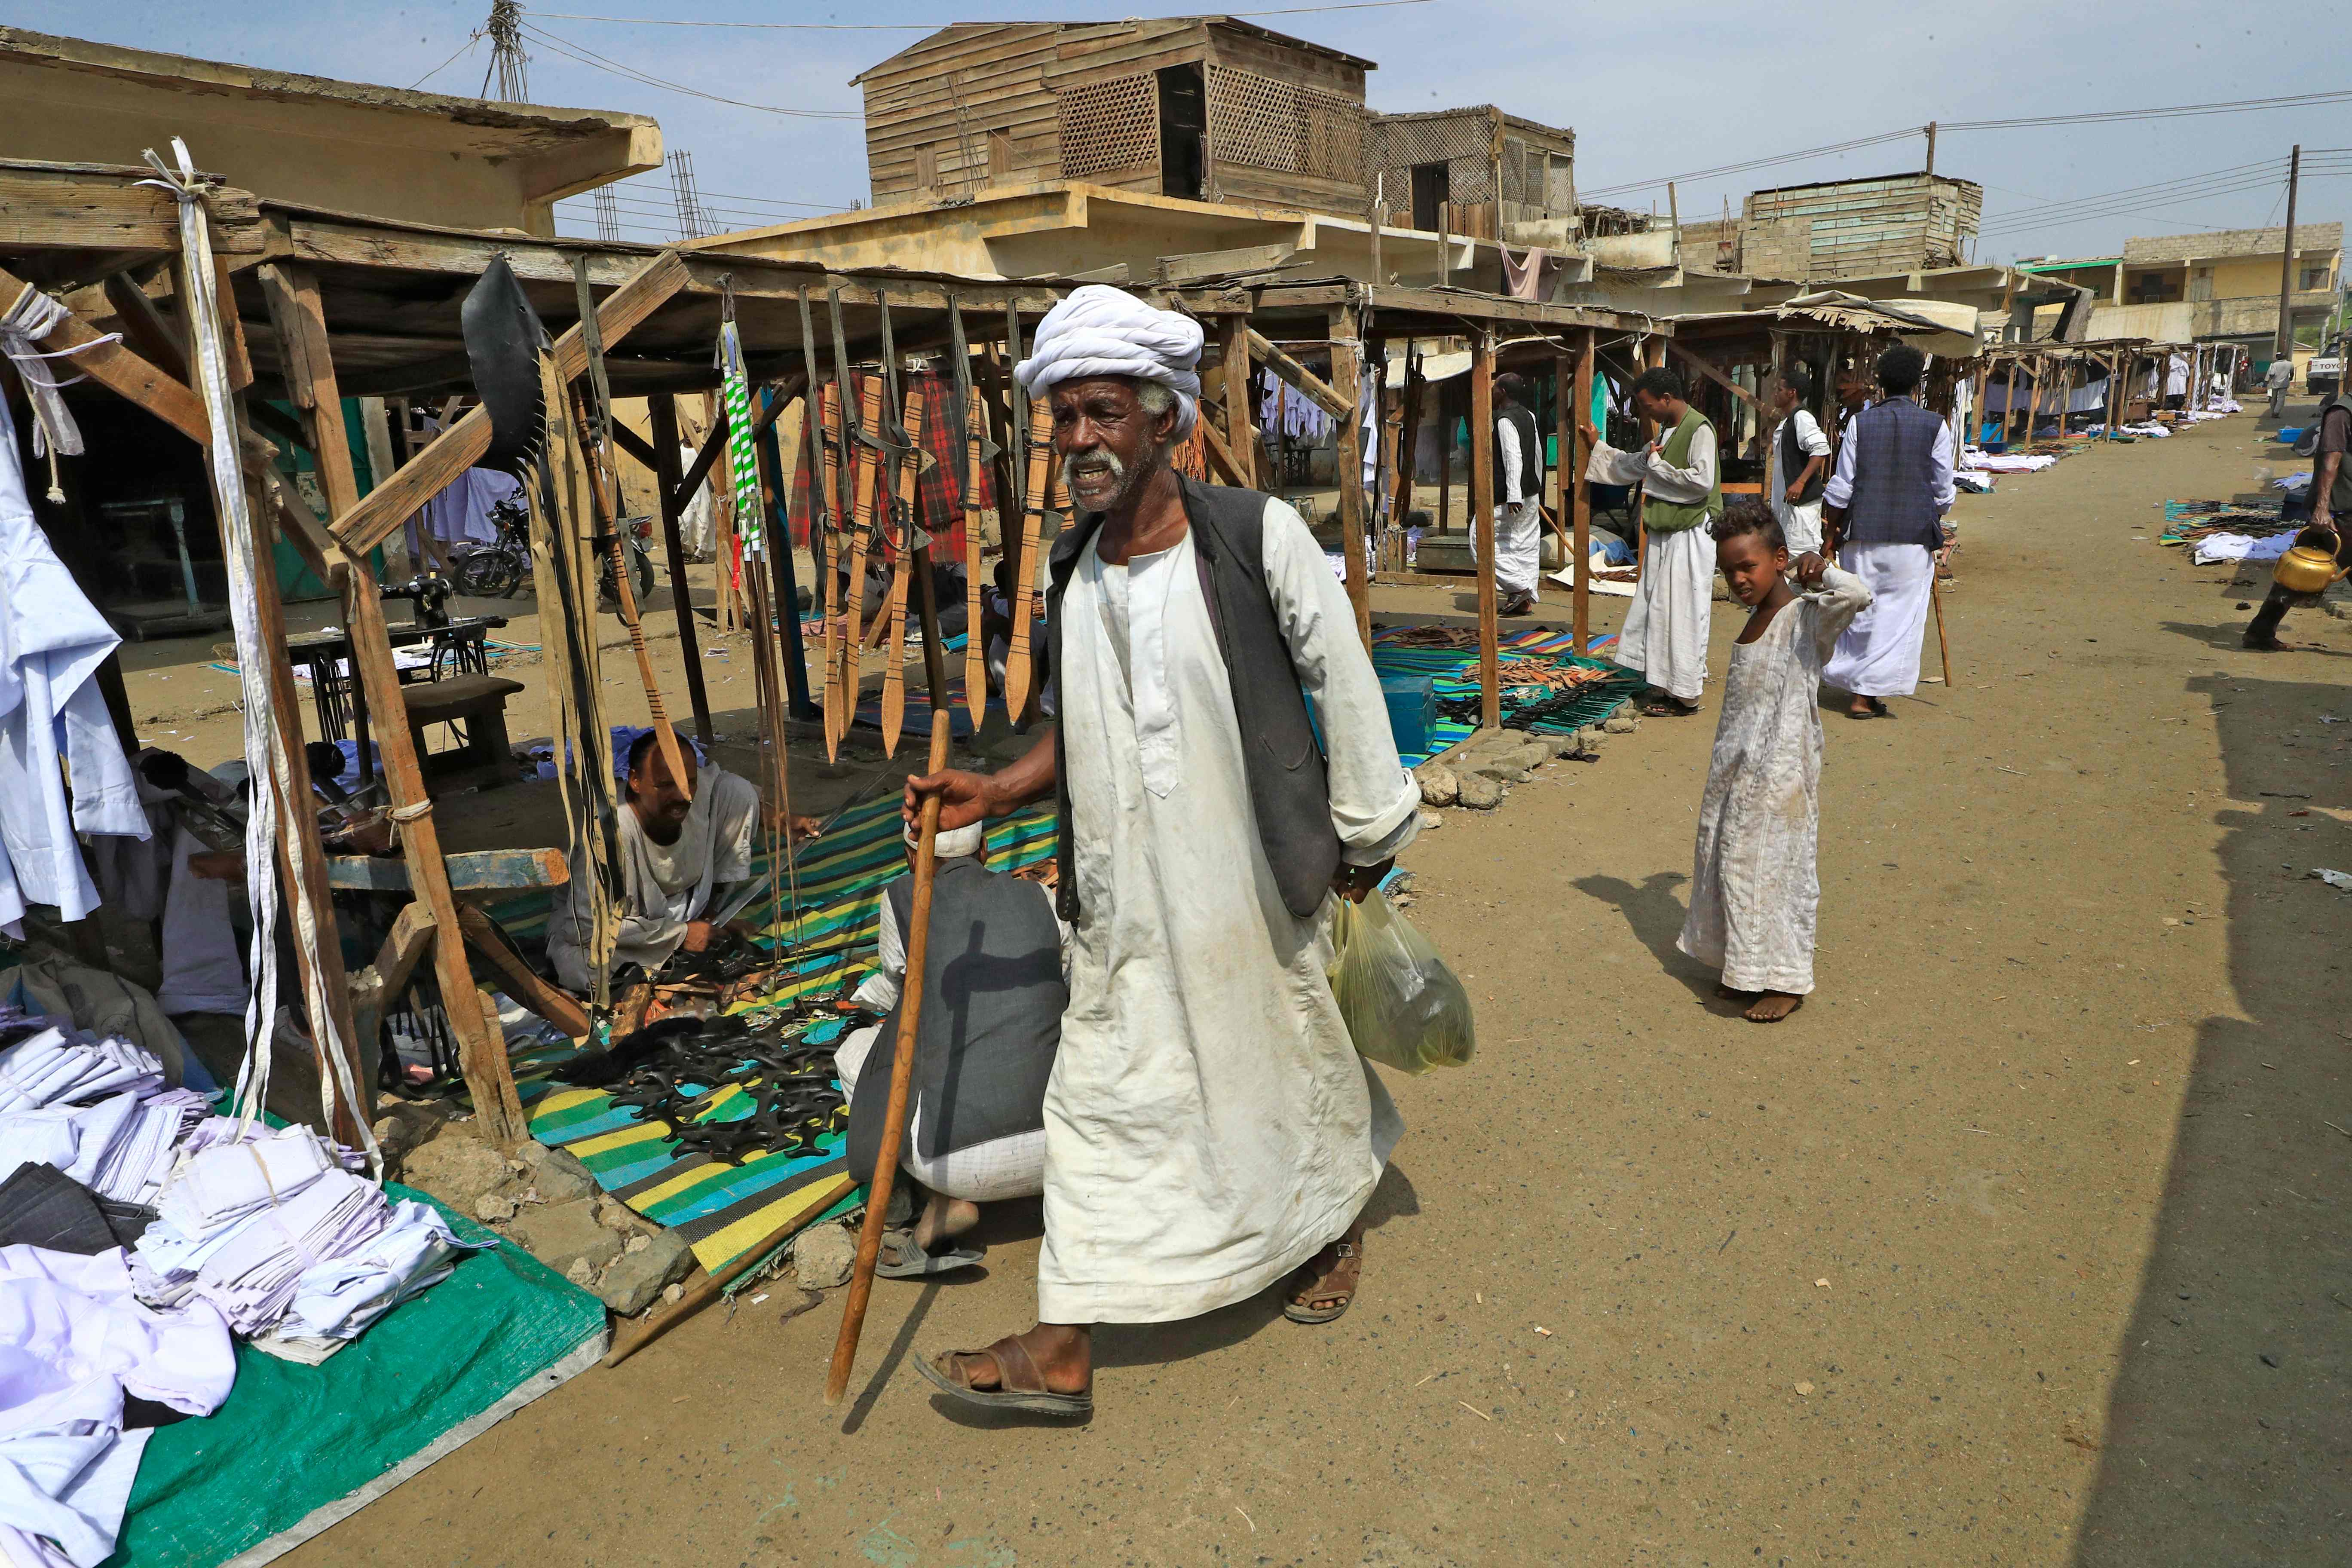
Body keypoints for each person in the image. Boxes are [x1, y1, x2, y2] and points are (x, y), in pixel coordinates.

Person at [900, 285, 1420, 1417]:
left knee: (1280, 1055)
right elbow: (1079, 728)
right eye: (1065, 418)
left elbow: (1342, 673)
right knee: (1100, 1090)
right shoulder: (1076, 573)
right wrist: (995, 783)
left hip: (1247, 881)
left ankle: (1323, 1227)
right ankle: (1066, 1341)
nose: (1080, 439)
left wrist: (1372, 832)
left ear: (1161, 419)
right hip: (1122, 895)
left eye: (1103, 414)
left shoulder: (1252, 537)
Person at [834, 820, 1064, 1276]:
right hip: (1065, 1145)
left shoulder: (903, 898)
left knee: (859, 1051)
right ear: (986, 851)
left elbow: (902, 985)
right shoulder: (1043, 899)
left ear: (909, 858)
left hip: (955, 1168)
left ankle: (933, 1205)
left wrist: (860, 1002)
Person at [1679, 501, 1872, 1024]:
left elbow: (1859, 594)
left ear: (1780, 559)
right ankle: (1744, 971)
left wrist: (1821, 566)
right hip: (1734, 772)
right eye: (1729, 571)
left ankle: (1785, 980)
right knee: (1733, 866)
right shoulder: (1753, 620)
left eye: (1749, 567)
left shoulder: (1807, 618)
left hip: (1781, 772)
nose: (1739, 579)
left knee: (1777, 871)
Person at [545, 729, 763, 995]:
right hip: (619, 929)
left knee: (737, 791)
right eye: (665, 786)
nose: (681, 796)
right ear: (635, 781)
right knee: (589, 968)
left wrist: (784, 819)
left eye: (688, 784)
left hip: (685, 906)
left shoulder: (696, 790)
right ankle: (682, 950)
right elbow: (588, 928)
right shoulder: (608, 834)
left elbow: (736, 791)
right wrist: (680, 935)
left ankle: (709, 922)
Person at [1819, 343, 1954, 720]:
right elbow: (1943, 491)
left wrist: (1830, 533)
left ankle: (1861, 688)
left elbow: (1842, 486)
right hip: (1911, 539)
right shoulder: (1936, 425)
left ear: (1879, 382)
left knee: (1862, 612)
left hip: (1863, 535)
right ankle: (1866, 694)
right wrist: (1931, 512)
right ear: (1917, 383)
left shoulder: (1861, 423)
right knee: (1899, 616)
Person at [1583, 367, 1721, 716]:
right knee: (1659, 611)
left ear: (1667, 398)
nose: (1647, 413)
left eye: (1648, 406)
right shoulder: (1669, 433)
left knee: (1684, 613)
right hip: (1665, 533)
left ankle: (1687, 694)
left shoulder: (1699, 428)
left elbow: (1701, 481)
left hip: (1690, 534)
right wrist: (1597, 447)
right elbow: (1632, 465)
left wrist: (1656, 466)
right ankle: (1666, 686)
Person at [2244, 387, 2352, 650]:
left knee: (2300, 571)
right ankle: (2260, 632)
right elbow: (2330, 462)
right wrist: (2322, 508)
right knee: (2301, 570)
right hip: (2337, 511)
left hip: (2341, 508)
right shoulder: (2342, 413)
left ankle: (2260, 632)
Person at [1488, 371, 1544, 615]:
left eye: (1494, 387)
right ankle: (1525, 596)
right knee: (1524, 544)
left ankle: (1519, 587)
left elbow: (1514, 458)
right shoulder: (1529, 415)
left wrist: (1514, 495)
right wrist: (1535, 485)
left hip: (1512, 496)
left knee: (1481, 540)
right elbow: (1538, 454)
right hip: (1530, 493)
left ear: (1502, 392)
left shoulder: (1505, 420)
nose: (1491, 391)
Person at [1765, 366, 1832, 556]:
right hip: (1788, 507)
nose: (1775, 394)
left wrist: (1801, 482)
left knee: (1802, 556)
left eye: (1779, 389)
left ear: (1792, 393)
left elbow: (1821, 448)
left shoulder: (1802, 418)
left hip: (1800, 508)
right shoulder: (1788, 421)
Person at [2266, 354, 2296, 421]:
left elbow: (2272, 374)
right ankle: (2276, 412)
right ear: (2285, 358)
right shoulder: (2290, 364)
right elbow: (2292, 372)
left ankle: (2273, 412)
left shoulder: (2275, 365)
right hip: (2284, 383)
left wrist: (2269, 381)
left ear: (2277, 358)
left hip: (2275, 383)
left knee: (2274, 398)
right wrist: (2291, 378)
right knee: (2281, 398)